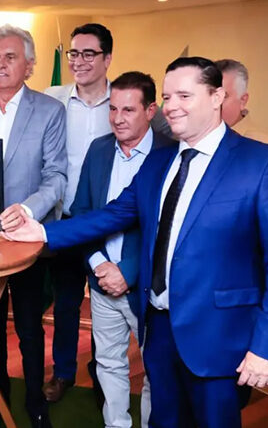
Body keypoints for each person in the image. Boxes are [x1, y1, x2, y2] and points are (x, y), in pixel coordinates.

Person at [0, 57, 268, 428]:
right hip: (159, 330)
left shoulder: (264, 164)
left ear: (217, 97)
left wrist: (267, 348)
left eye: (184, 95)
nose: (171, 106)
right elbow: (112, 214)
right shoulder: (160, 162)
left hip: (219, 339)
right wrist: (44, 231)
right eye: (166, 96)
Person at [42, 23, 172, 404]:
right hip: (71, 220)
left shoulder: (148, 124)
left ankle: (103, 378)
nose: (79, 61)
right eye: (73, 54)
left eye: (88, 53)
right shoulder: (54, 100)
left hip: (132, 242)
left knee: (139, 350)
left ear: (107, 58)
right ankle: (65, 371)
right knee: (67, 302)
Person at [0, 24, 67, 428]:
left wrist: (26, 210)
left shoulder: (50, 111)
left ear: (30, 65)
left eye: (10, 57)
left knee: (28, 326)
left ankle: (35, 401)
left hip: (24, 240)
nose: (0, 65)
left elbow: (56, 176)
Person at [73, 71, 174, 427]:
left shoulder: (172, 154)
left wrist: (126, 271)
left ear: (150, 111)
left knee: (155, 370)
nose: (117, 118)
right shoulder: (99, 149)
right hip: (101, 282)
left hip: (146, 287)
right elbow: (82, 213)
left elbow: (167, 230)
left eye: (128, 110)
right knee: (108, 363)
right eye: (113, 108)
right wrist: (101, 265)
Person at [214, 58, 268, 147]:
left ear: (243, 100)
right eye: (208, 95)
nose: (213, 103)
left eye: (223, 96)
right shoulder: (194, 140)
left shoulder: (267, 148)